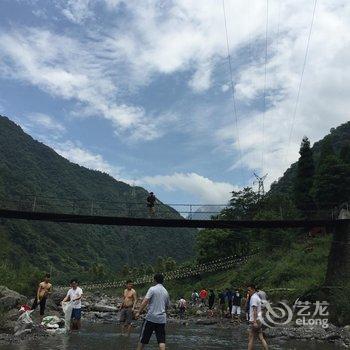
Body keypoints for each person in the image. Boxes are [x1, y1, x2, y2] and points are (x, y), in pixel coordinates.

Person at [135, 274, 170, 350]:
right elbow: (167, 306)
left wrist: (138, 312)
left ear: (154, 280)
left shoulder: (152, 289)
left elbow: (145, 301)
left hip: (151, 318)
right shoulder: (166, 292)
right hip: (161, 319)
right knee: (161, 341)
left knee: (142, 339)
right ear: (162, 281)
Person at [247, 284, 268, 350]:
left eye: (249, 290)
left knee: (251, 338)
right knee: (261, 338)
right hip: (259, 320)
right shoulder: (257, 297)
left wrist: (255, 322)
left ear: (253, 290)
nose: (248, 292)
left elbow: (255, 310)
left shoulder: (253, 298)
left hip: (254, 321)